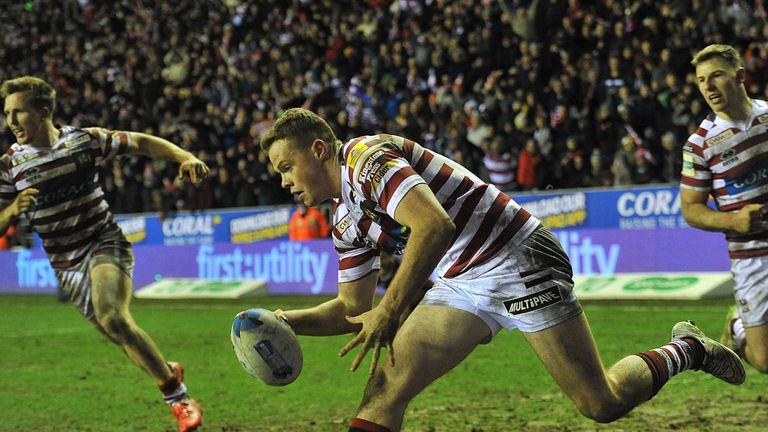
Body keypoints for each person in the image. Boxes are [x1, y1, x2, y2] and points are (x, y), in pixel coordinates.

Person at [257, 108, 745, 432]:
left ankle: (688, 350)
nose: (283, 181)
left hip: (517, 257)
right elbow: (352, 309)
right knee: (384, 391)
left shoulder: (366, 159)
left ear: (318, 150)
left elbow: (433, 226)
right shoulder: (344, 218)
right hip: (460, 283)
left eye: (285, 166)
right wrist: (284, 322)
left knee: (601, 403)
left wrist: (392, 307)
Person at [0, 76, 206, 432]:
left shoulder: (83, 141)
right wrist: (12, 210)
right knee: (121, 335)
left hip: (103, 241)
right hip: (65, 264)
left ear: (43, 112)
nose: (11, 122)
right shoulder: (9, 166)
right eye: (7, 114)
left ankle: (180, 398)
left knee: (112, 316)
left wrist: (183, 155)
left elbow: (139, 142)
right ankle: (168, 371)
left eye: (19, 112)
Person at [680, 44, 768, 375]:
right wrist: (734, 220)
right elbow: (691, 209)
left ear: (740, 76)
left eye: (716, 75)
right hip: (751, 256)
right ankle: (736, 326)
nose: (709, 86)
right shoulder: (700, 144)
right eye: (702, 80)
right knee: (763, 360)